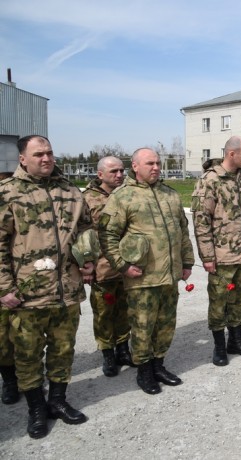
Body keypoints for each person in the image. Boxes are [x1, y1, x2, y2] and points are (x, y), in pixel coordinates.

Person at [0, 135, 95, 438]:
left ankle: (57, 401)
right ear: (22, 159)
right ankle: (36, 409)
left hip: (67, 290)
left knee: (63, 350)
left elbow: (86, 231)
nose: (46, 158)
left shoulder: (70, 191)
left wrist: (89, 259)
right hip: (26, 294)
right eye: (38, 154)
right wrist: (4, 289)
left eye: (50, 153)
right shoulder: (7, 193)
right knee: (27, 355)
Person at [100, 148, 194, 395]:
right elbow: (108, 234)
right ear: (135, 166)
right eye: (150, 163)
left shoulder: (170, 195)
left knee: (165, 324)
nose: (155, 167)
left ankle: (158, 365)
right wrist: (122, 264)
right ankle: (144, 371)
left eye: (158, 163)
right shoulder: (123, 197)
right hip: (142, 277)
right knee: (142, 326)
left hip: (169, 275)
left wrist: (186, 263)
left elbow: (183, 232)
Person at [192, 136, 241, 366]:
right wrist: (207, 257)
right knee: (219, 303)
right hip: (223, 256)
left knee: (239, 300)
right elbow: (201, 222)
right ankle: (219, 346)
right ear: (231, 154)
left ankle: (236, 340)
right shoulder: (210, 180)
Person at [83, 156, 134, 377]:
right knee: (104, 312)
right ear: (100, 174)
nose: (119, 175)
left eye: (122, 170)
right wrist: (86, 263)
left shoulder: (129, 194)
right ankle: (107, 353)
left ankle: (123, 349)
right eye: (113, 171)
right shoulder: (87, 199)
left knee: (126, 310)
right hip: (103, 267)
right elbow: (83, 234)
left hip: (129, 266)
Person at [0, 171, 19, 406]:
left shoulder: (7, 192)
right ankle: (9, 381)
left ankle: (26, 378)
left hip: (11, 276)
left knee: (17, 334)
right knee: (2, 340)